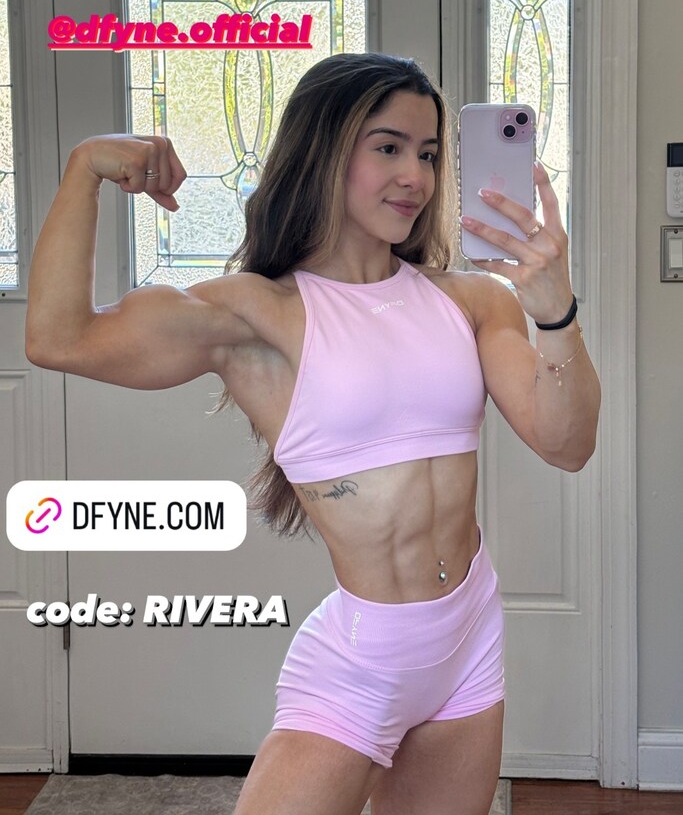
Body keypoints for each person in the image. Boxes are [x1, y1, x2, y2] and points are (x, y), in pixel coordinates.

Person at [25, 52, 601, 815]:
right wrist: (83, 170)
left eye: (429, 154)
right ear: (322, 151)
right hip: (360, 661)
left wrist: (555, 313)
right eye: (387, 147)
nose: (415, 177)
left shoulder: (471, 300)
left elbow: (566, 445)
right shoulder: (256, 313)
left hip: (467, 641)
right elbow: (59, 339)